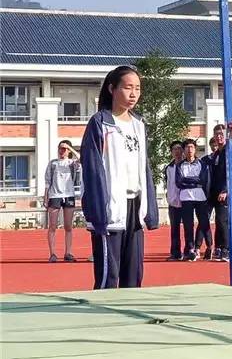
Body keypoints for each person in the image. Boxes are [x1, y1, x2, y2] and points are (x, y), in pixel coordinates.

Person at [80, 65, 158, 289]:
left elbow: (145, 169)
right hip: (110, 208)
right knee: (109, 276)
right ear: (112, 89)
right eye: (127, 88)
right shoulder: (100, 123)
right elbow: (93, 170)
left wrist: (149, 209)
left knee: (133, 274)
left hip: (134, 207)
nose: (133, 94)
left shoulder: (139, 124)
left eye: (137, 88)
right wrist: (97, 211)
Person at [208, 124, 232, 262]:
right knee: (219, 221)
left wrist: (225, 190)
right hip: (217, 193)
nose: (219, 137)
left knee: (225, 221)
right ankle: (221, 248)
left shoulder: (230, 150)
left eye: (221, 134)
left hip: (229, 192)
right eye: (216, 134)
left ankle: (228, 249)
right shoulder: (217, 153)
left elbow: (231, 173)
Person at [44, 140, 81, 263]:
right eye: (60, 148)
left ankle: (68, 252)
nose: (62, 151)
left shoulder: (72, 163)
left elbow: (81, 159)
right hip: (55, 195)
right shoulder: (53, 163)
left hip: (69, 195)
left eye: (64, 149)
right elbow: (47, 182)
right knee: (53, 226)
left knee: (68, 226)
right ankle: (52, 253)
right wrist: (46, 197)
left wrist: (70, 148)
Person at [176, 139, 212, 262]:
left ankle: (209, 246)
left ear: (195, 149)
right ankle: (190, 249)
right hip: (186, 197)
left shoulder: (202, 164)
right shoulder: (180, 165)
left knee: (204, 223)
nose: (189, 150)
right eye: (187, 147)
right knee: (188, 224)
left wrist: (189, 180)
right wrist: (194, 181)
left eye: (191, 147)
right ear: (184, 150)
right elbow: (179, 182)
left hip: (200, 196)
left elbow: (203, 180)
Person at [195, 137, 217, 260]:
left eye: (216, 145)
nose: (214, 147)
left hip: (219, 194)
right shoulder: (204, 161)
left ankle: (218, 247)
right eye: (212, 145)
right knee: (203, 222)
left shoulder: (223, 159)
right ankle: (198, 247)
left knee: (221, 222)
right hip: (206, 195)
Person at [164, 141, 184, 261]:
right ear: (171, 152)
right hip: (173, 201)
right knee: (174, 228)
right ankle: (175, 252)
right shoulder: (169, 167)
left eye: (179, 149)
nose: (177, 151)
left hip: (186, 200)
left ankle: (189, 250)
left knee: (188, 227)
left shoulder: (186, 165)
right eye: (174, 149)